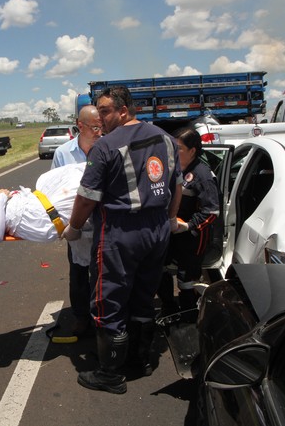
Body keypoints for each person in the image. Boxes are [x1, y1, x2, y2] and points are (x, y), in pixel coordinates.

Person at [62, 86, 183, 394]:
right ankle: (140, 360)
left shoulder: (106, 147)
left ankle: (110, 373)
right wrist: (170, 219)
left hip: (119, 232)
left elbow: (86, 197)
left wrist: (74, 227)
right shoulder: (167, 140)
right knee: (144, 295)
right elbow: (176, 186)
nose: (99, 119)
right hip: (157, 230)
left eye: (104, 111)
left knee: (108, 299)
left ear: (123, 111)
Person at [158, 128, 220, 320]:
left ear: (192, 151)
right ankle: (168, 309)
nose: (174, 153)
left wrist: (188, 226)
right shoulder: (172, 169)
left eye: (179, 149)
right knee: (161, 270)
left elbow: (212, 211)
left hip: (192, 237)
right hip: (170, 231)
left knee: (187, 281)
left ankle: (188, 318)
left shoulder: (202, 175)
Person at [51, 104, 102, 337]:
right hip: (76, 220)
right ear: (80, 126)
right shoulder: (63, 153)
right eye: (94, 127)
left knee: (102, 270)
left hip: (103, 220)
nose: (99, 131)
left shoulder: (108, 147)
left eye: (102, 126)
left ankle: (101, 314)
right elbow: (54, 187)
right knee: (78, 272)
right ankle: (81, 317)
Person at [0, 162, 86, 243]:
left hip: (37, 200)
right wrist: (0, 200)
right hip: (39, 218)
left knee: (75, 172)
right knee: (86, 183)